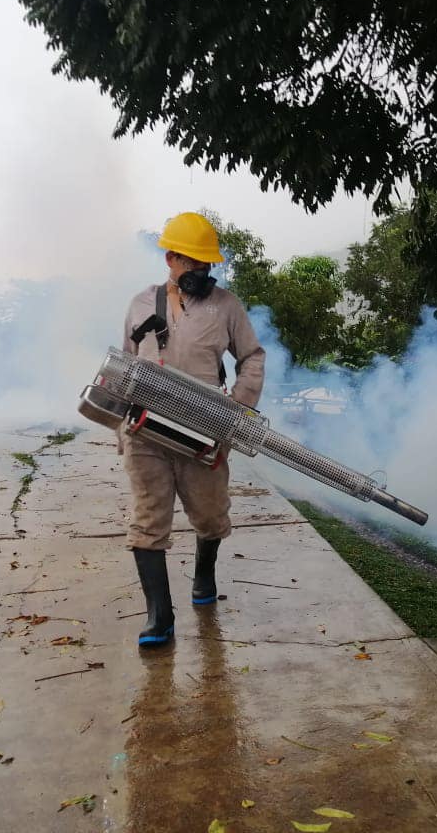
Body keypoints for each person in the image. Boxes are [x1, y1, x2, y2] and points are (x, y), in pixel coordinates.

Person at [121, 212, 265, 647]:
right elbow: (125, 364)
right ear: (170, 259)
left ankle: (204, 574)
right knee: (148, 519)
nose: (201, 272)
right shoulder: (142, 303)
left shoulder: (227, 306)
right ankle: (159, 618)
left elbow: (252, 356)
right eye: (192, 263)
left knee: (209, 515)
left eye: (207, 265)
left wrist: (237, 409)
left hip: (204, 429)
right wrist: (119, 427)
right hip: (146, 430)